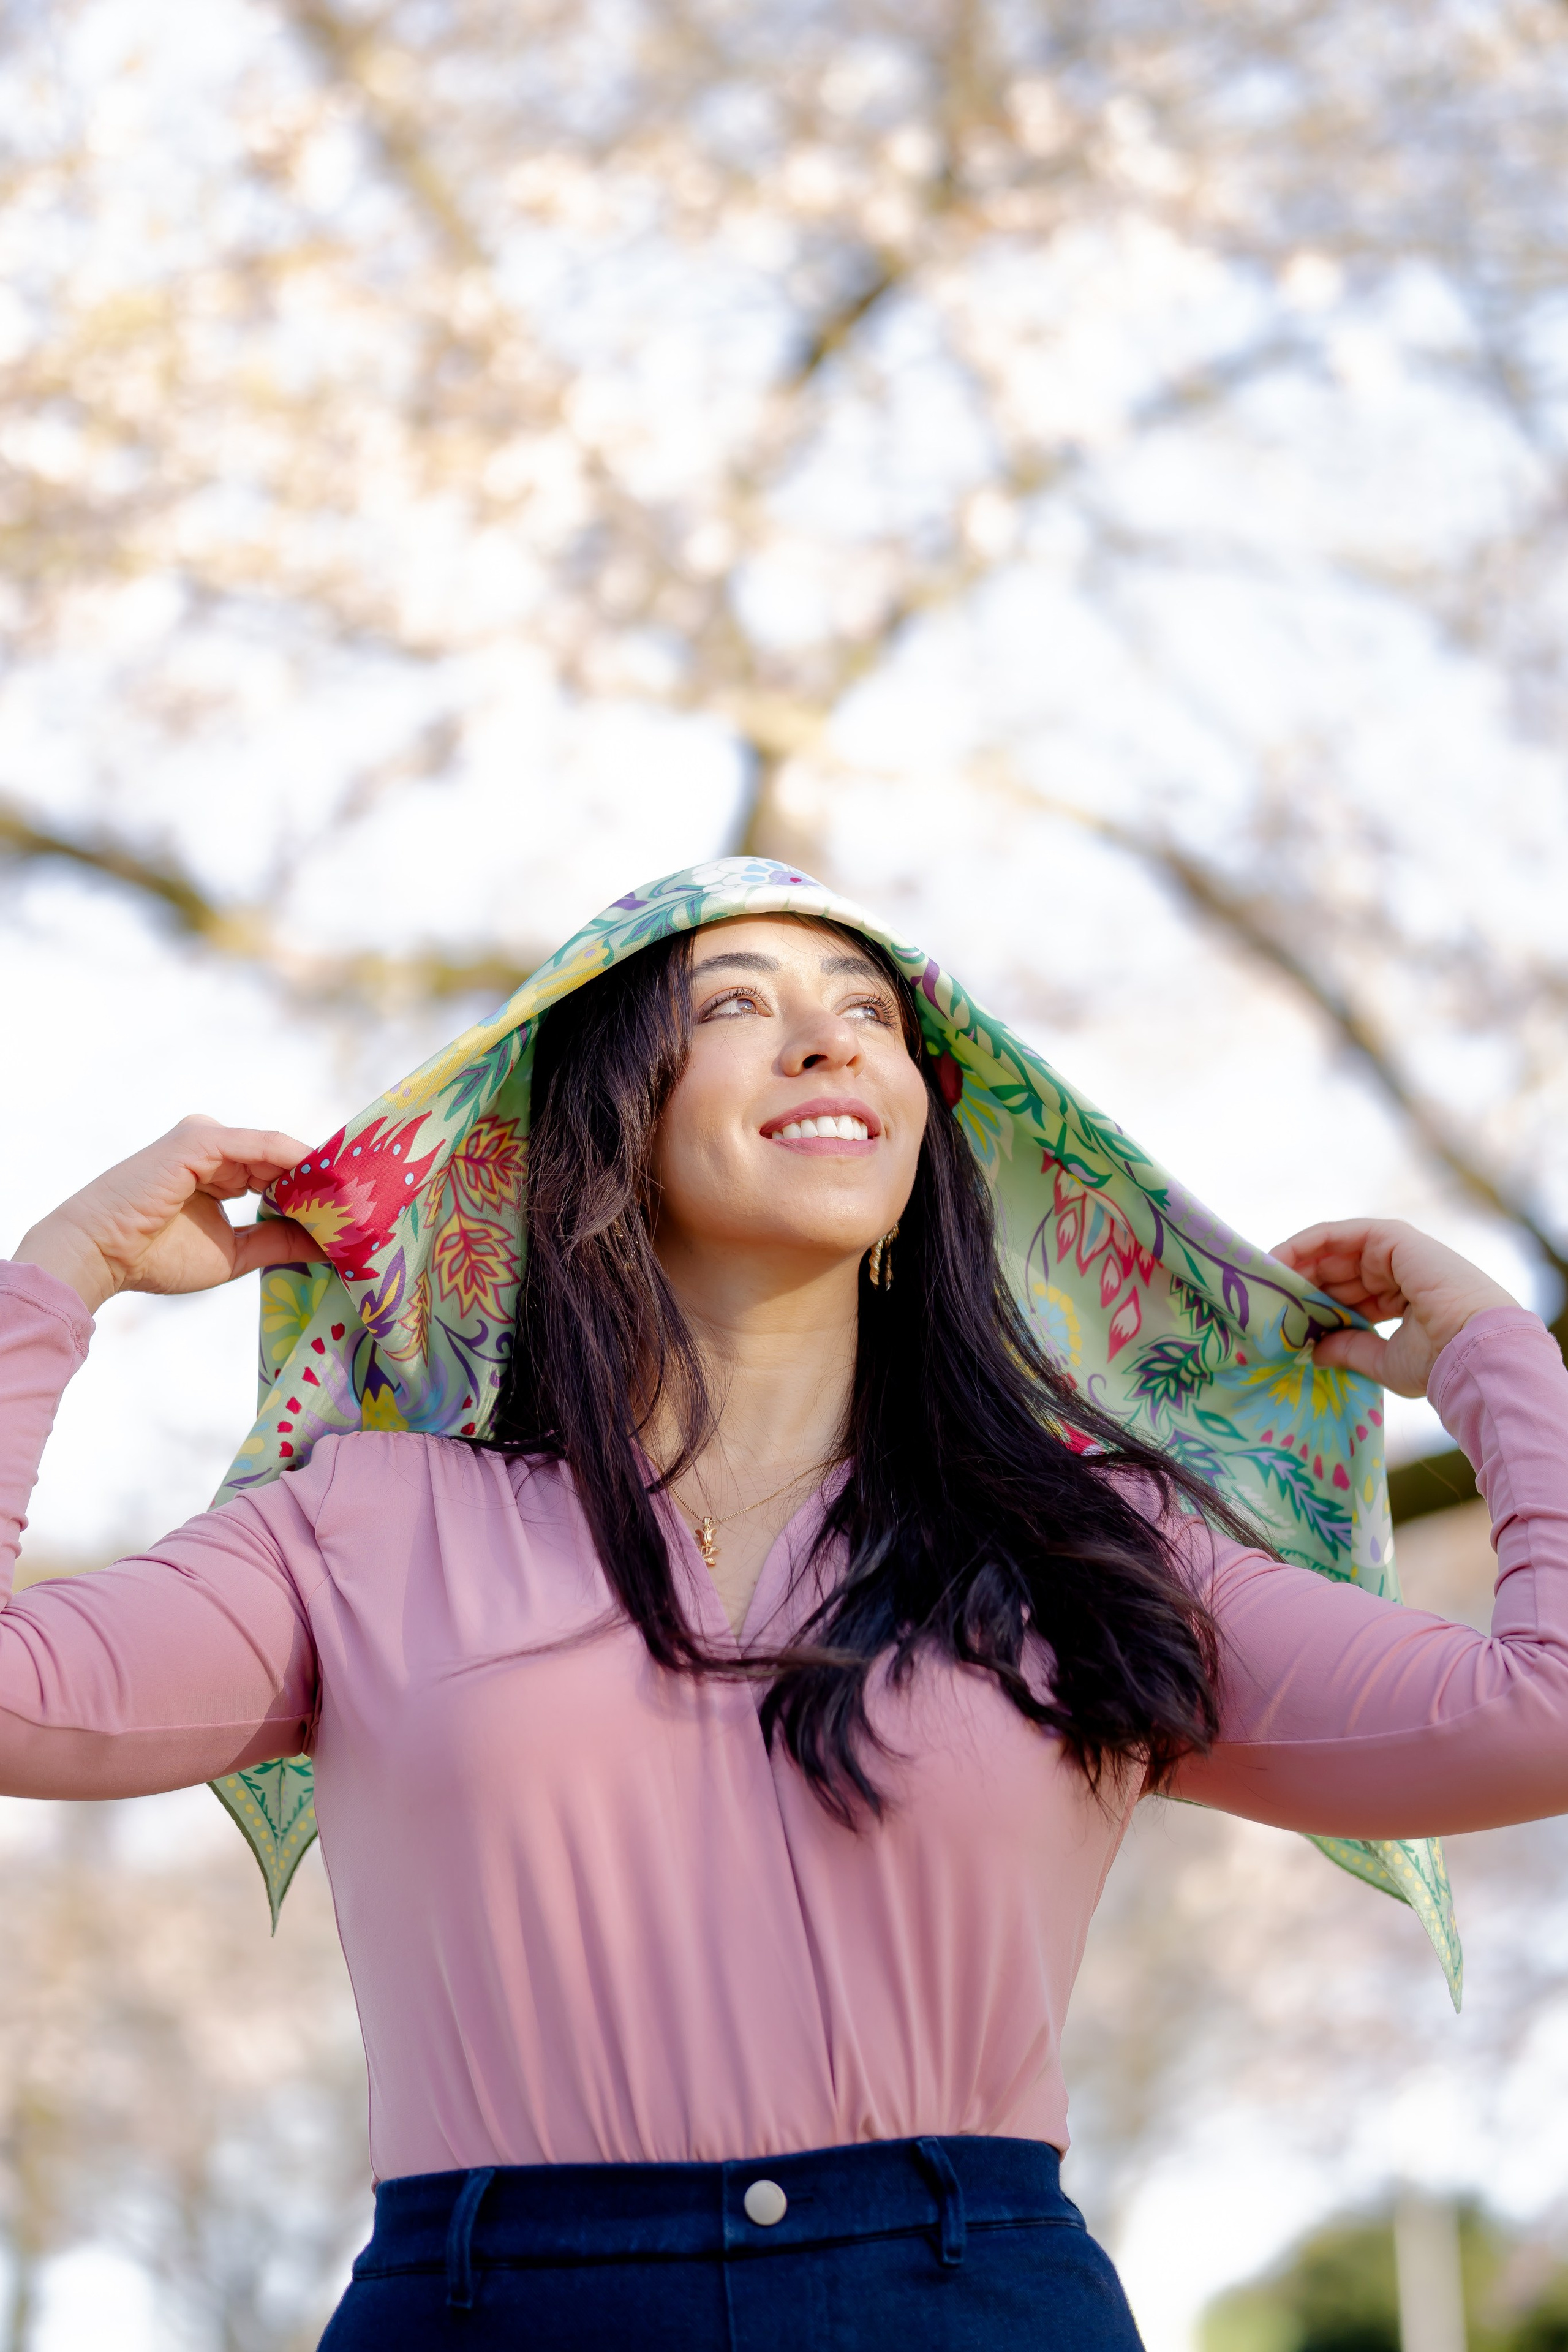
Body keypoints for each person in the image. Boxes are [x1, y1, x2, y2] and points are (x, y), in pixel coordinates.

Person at [2, 872, 1564, 2352]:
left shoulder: (1091, 1554)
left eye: (870, 1013)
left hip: (967, 2305)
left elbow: (1538, 1714)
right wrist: (55, 1281)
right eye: (733, 1002)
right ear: (605, 1117)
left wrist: (1497, 1361)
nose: (827, 1035)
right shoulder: (363, 1522)